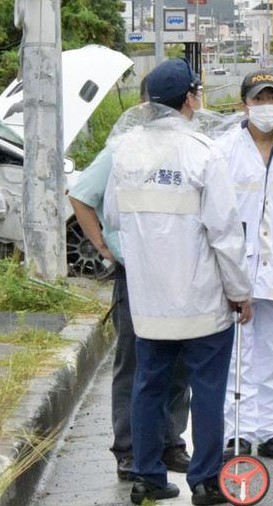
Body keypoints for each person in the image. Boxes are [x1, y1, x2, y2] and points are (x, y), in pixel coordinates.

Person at [103, 58, 254, 505]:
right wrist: (240, 293)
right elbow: (225, 233)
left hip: (149, 301)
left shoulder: (125, 151)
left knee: (147, 386)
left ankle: (147, 477)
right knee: (206, 389)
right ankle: (207, 482)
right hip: (201, 301)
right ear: (189, 99)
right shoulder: (204, 152)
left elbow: (113, 216)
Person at [68, 76, 192, 483]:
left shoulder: (188, 149)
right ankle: (129, 450)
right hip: (136, 270)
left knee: (178, 363)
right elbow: (82, 194)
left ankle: (170, 441)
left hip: (179, 269)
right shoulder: (122, 149)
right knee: (136, 363)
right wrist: (104, 246)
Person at [215, 71, 273, 463]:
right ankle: (238, 433)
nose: (266, 105)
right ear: (245, 104)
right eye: (259, 99)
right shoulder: (223, 149)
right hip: (239, 263)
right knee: (238, 354)